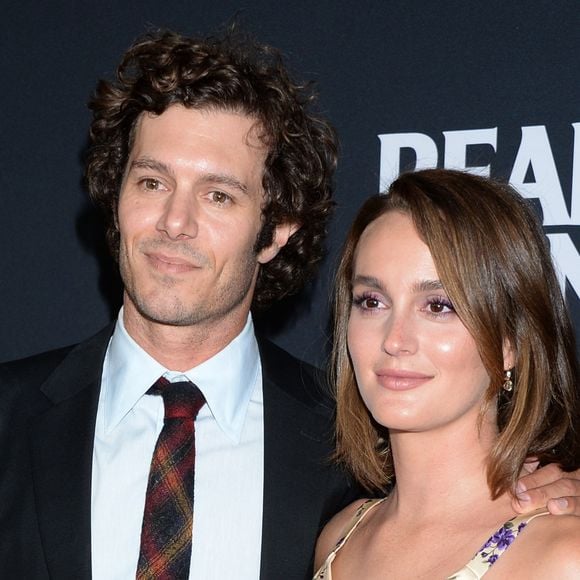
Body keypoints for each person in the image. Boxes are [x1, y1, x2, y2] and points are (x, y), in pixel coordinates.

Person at [0, 31, 576, 580]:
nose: (175, 222)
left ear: (277, 230)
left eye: (219, 194)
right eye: (151, 182)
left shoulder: (344, 447)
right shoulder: (10, 419)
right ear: (115, 196)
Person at [314, 168, 580, 578]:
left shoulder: (562, 555)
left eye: (438, 306)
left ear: (510, 342)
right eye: (371, 302)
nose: (394, 339)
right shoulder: (341, 537)